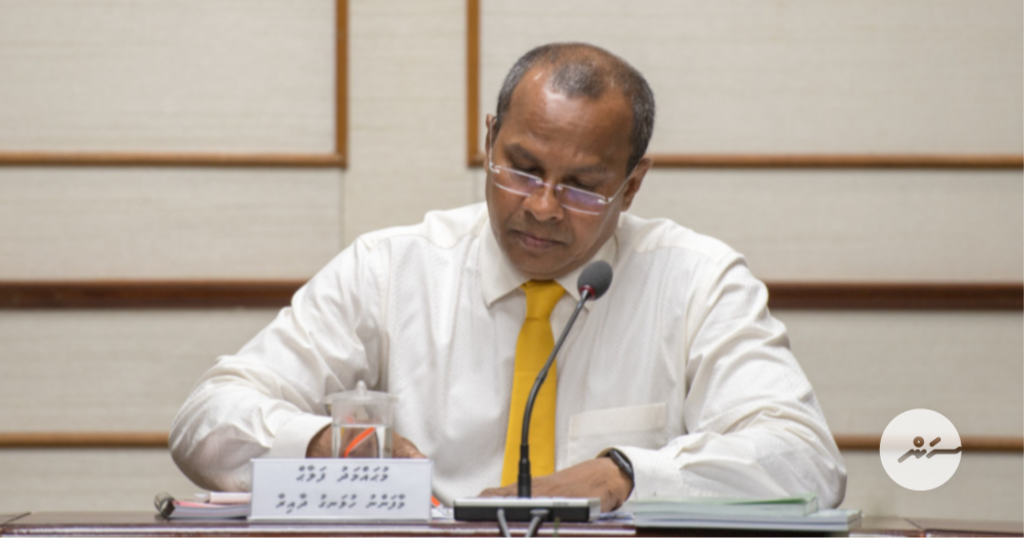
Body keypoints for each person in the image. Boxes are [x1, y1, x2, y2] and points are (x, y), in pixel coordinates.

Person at [170, 42, 846, 511]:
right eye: (521, 169)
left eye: (583, 186)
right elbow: (207, 418)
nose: (542, 207)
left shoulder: (698, 283)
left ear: (632, 185)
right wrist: (323, 444)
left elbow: (805, 458)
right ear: (489, 138)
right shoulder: (390, 269)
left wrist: (627, 473)